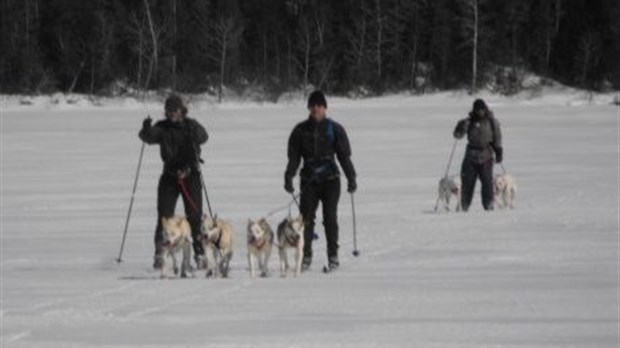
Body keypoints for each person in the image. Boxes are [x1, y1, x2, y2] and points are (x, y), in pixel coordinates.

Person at [284, 90, 357, 272]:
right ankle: (306, 255)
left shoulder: (334, 129)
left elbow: (344, 156)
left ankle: (333, 256)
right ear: (309, 108)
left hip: (330, 180)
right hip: (309, 180)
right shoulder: (300, 130)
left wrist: (351, 177)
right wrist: (289, 175)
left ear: (325, 108)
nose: (316, 108)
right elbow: (294, 158)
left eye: (319, 105)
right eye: (313, 105)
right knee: (306, 219)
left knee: (330, 218)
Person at [139, 95, 209, 269]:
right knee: (164, 217)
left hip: (190, 175)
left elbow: (204, 136)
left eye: (175, 110)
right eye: (169, 111)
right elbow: (147, 137)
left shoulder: (191, 124)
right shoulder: (162, 127)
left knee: (194, 216)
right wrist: (146, 128)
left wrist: (194, 133)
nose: (172, 114)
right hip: (170, 176)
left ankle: (199, 254)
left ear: (182, 110)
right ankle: (159, 254)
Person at [453, 99, 503, 211]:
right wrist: (459, 127)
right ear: (474, 110)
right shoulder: (469, 121)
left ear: (485, 109)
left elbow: (497, 136)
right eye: (478, 110)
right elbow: (458, 136)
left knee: (487, 183)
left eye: (482, 109)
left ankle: (489, 206)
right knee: (467, 182)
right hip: (471, 156)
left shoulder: (492, 121)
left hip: (486, 155)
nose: (480, 112)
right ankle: (464, 206)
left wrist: (498, 150)